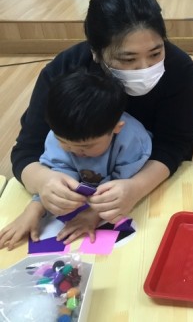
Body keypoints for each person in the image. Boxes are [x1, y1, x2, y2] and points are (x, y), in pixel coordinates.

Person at [11, 0, 193, 223]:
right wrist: (43, 182)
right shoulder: (65, 70)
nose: (144, 68)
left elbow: (175, 144)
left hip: (146, 176)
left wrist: (135, 188)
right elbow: (28, 149)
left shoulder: (178, 68)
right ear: (96, 53)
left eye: (155, 53)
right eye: (127, 59)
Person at [1, 71, 152, 250]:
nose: (73, 150)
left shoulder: (133, 142)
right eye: (63, 142)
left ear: (116, 128)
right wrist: (35, 207)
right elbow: (57, 176)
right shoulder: (60, 134)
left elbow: (123, 190)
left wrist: (93, 214)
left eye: (86, 146)